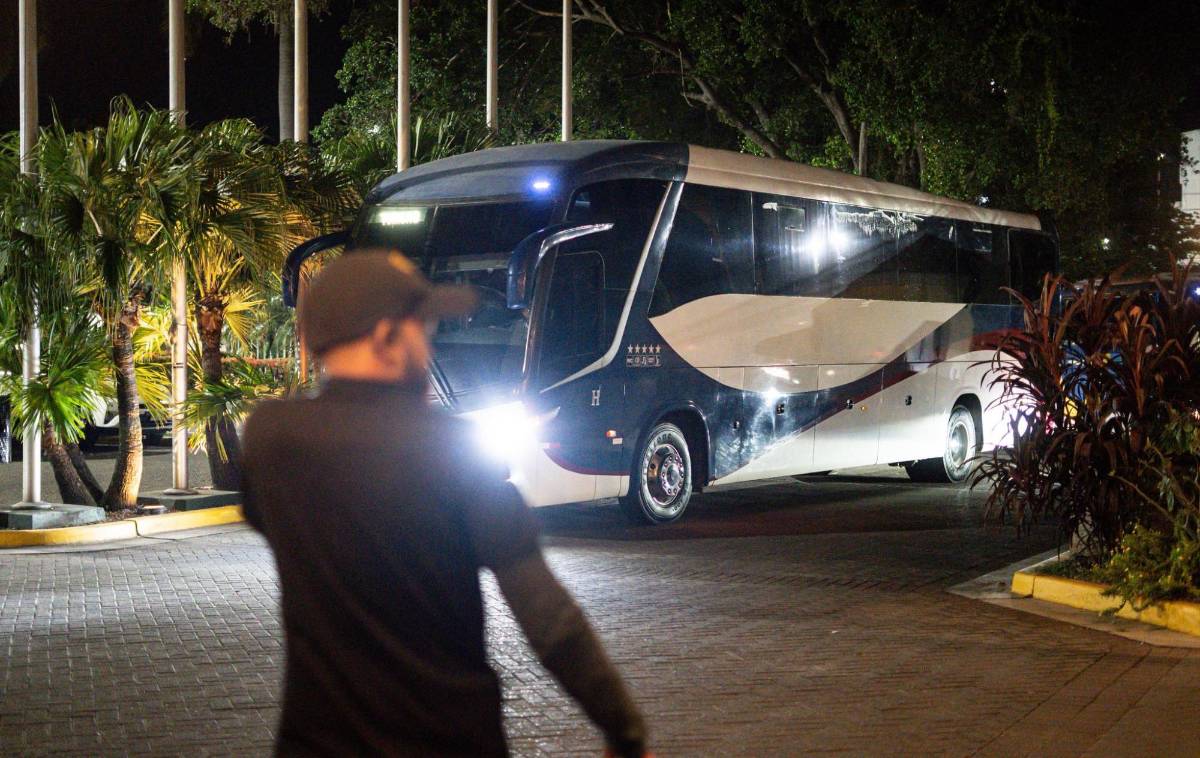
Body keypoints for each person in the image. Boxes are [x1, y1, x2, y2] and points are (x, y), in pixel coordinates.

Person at [240, 250, 649, 757]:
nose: (428, 345)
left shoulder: (270, 439)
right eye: (423, 328)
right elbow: (549, 621)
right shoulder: (454, 449)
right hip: (449, 740)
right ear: (387, 338)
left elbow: (265, 518)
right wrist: (623, 730)